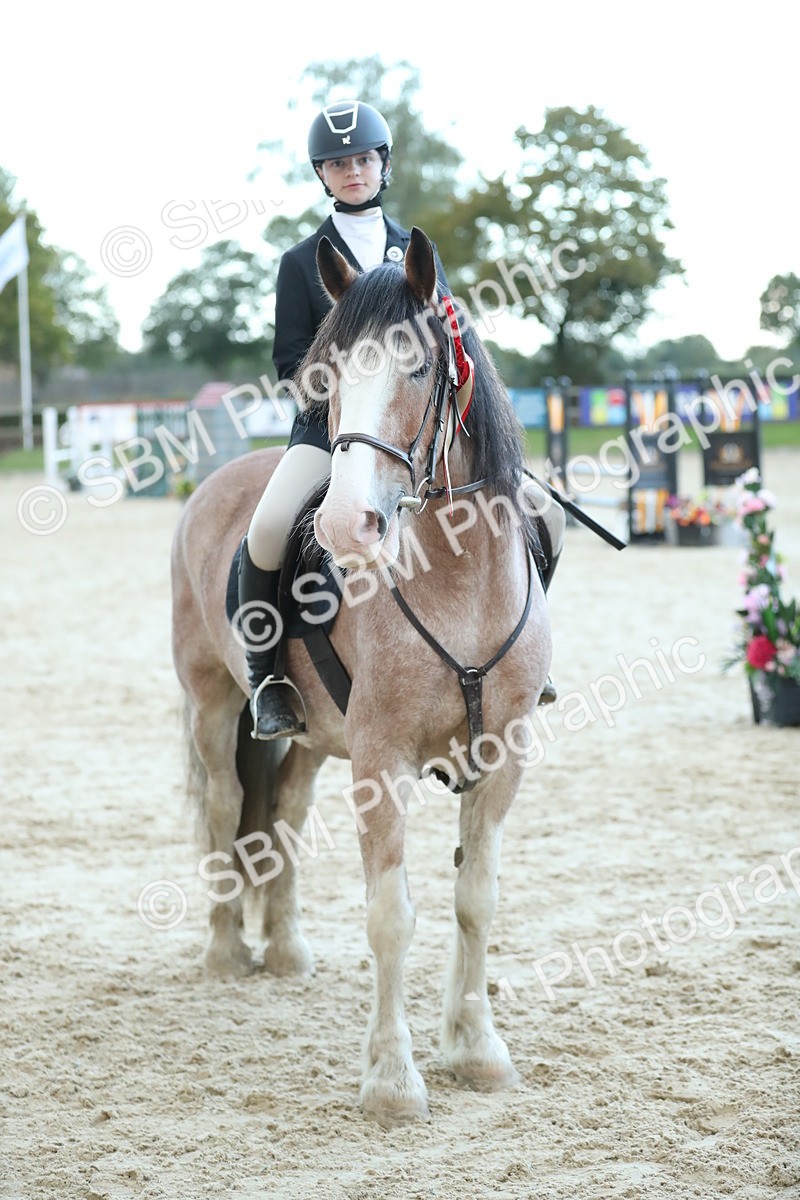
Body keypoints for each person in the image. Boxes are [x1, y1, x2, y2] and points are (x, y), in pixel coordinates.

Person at [239, 98, 561, 742]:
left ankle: (524, 651)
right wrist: (352, 391)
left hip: (420, 430)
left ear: (382, 164)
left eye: (362, 159)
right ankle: (267, 677)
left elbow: (455, 343)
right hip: (334, 431)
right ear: (322, 174)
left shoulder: (416, 251)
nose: (352, 172)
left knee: (544, 514)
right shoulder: (301, 263)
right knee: (268, 528)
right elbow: (290, 362)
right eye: (338, 164)